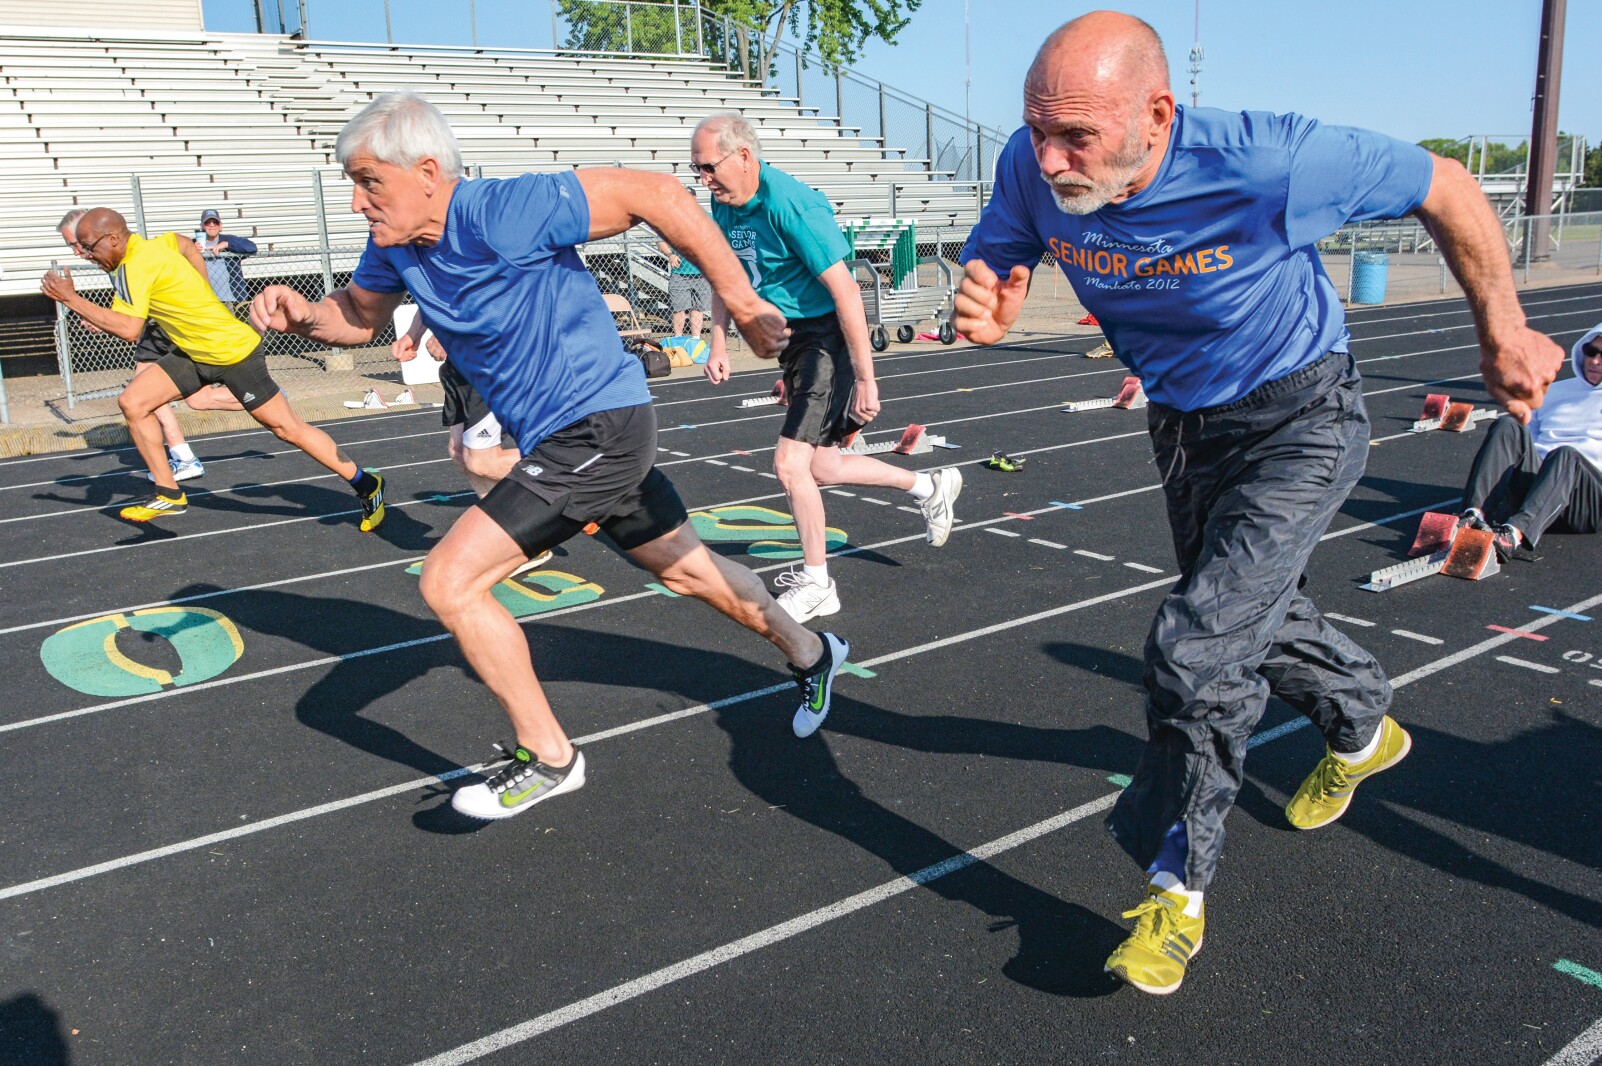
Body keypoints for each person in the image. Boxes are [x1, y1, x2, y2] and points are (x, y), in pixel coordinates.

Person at [954, 11, 1565, 995]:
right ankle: (1364, 723)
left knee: (1198, 646)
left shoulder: (1272, 159)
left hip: (1301, 414)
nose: (1054, 158)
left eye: (1081, 138)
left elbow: (1444, 184)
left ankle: (1174, 891)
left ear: (1158, 114)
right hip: (1185, 424)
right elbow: (1007, 236)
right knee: (1251, 615)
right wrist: (995, 282)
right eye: (1038, 129)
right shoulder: (1033, 166)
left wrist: (1503, 328)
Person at [250, 90, 852, 821]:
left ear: (428, 172)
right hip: (570, 440)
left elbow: (656, 193)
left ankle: (550, 755)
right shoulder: (392, 246)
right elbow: (359, 316)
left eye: (369, 181)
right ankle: (813, 653)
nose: (356, 203)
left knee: (450, 581)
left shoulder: (504, 209)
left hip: (598, 425)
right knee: (692, 572)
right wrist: (305, 313)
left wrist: (743, 300)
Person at [692, 112, 963, 622]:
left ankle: (818, 583)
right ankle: (930, 487)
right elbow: (723, 274)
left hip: (825, 338)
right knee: (823, 467)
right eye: (697, 170)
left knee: (790, 465)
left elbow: (846, 291)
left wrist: (865, 378)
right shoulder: (723, 202)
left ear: (743, 157)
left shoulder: (791, 204)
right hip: (796, 344)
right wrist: (719, 343)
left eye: (708, 168)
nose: (703, 179)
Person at [42, 208, 387, 529]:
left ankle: (367, 483)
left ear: (113, 239)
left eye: (88, 247)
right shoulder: (149, 246)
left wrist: (72, 300)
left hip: (232, 353)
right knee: (134, 402)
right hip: (193, 353)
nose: (86, 254)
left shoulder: (134, 266)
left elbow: (130, 330)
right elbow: (184, 244)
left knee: (288, 430)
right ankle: (169, 492)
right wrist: (201, 286)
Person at [56, 209, 246, 482]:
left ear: (99, 236)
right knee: (189, 399)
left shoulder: (146, 250)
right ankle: (259, 395)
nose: (77, 252)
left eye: (77, 244)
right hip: (153, 328)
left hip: (164, 329)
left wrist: (204, 287)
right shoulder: (112, 258)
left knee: (147, 395)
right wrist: (105, 319)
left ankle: (186, 457)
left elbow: (186, 246)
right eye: (72, 247)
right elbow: (128, 300)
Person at [392, 319, 555, 574]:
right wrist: (414, 334)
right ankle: (518, 538)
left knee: (480, 461)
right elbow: (429, 290)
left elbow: (490, 293)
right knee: (458, 452)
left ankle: (576, 472)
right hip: (459, 367)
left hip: (490, 362)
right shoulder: (426, 277)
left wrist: (449, 335)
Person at [1458, 324, 1602, 560]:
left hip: (1586, 502)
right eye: (1590, 351)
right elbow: (1525, 440)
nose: (1595, 361)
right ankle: (1474, 514)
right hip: (1540, 488)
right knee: (1508, 425)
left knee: (1565, 454)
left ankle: (1513, 535)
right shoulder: (1554, 391)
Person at [197, 208, 259, 307]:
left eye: (215, 222)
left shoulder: (228, 240)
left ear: (220, 226)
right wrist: (191, 249)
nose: (212, 225)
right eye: (207, 223)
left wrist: (226, 244)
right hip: (204, 300)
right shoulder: (194, 244)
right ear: (202, 226)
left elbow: (252, 247)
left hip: (231, 300)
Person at [657, 234, 711, 337]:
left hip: (702, 274)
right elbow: (660, 240)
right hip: (679, 273)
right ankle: (678, 338)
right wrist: (670, 255)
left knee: (698, 309)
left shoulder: (707, 219)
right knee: (678, 309)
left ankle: (695, 339)